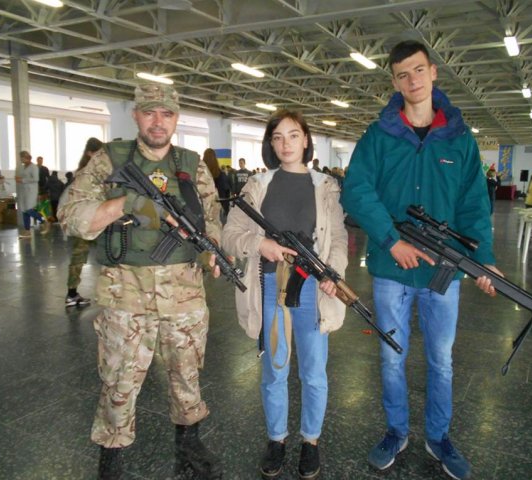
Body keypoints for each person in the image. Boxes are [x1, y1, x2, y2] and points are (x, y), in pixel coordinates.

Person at [340, 40, 501, 480]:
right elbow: (356, 190)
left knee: (441, 361)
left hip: (443, 274)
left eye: (418, 70)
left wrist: (484, 259)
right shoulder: (378, 137)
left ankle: (438, 437)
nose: (411, 80)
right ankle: (396, 432)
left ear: (433, 72)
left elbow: (474, 205)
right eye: (402, 75)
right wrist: (391, 240)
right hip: (391, 269)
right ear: (394, 83)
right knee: (392, 358)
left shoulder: (460, 140)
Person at [57, 83, 224, 480]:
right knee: (119, 380)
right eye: (149, 112)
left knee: (187, 374)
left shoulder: (193, 165)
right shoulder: (110, 159)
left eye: (166, 114)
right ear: (135, 115)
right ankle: (111, 455)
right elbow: (70, 216)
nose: (158, 121)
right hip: (125, 296)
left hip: (184, 295)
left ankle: (189, 444)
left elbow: (212, 220)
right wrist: (127, 204)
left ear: (177, 118)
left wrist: (213, 250)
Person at [222, 109, 348, 480]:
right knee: (274, 370)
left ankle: (311, 441)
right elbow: (231, 235)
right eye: (277, 137)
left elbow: (338, 237)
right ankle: (276, 439)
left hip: (313, 288)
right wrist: (260, 244)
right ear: (271, 144)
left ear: (306, 140)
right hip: (269, 285)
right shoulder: (257, 185)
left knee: (313, 371)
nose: (286, 144)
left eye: (293, 135)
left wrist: (333, 273)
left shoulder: (325, 186)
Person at [63, 137, 104, 307]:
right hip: (90, 220)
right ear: (89, 153)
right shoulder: (88, 173)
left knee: (79, 257)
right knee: (106, 256)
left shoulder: (82, 171)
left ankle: (72, 293)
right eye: (98, 153)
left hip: (88, 219)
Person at [15, 150, 44, 238]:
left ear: (27, 158)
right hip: (23, 191)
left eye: (22, 158)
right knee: (24, 211)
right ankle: (27, 231)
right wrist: (18, 178)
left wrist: (23, 180)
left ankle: (43, 220)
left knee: (28, 209)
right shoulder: (22, 167)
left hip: (31, 191)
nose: (21, 160)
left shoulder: (33, 167)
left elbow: (36, 179)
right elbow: (20, 177)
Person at [202, 148, 231, 217]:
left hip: (203, 207)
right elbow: (226, 192)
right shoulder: (221, 174)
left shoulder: (201, 174)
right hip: (217, 207)